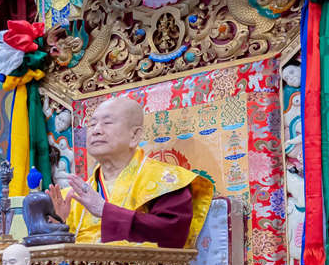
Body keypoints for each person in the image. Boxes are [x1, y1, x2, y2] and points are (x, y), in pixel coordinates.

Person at [49, 96, 213, 249]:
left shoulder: (167, 181)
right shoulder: (72, 196)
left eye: (107, 123)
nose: (96, 130)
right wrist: (59, 227)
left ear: (134, 135)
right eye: (92, 124)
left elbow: (173, 235)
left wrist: (105, 211)